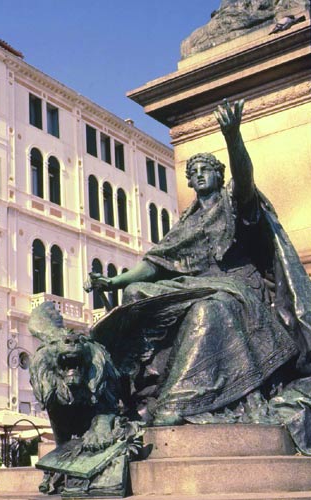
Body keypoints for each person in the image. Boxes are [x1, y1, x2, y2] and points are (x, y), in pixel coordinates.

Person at [87, 100, 311, 427]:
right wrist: (114, 282)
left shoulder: (234, 203)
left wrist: (232, 136)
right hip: (198, 285)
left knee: (209, 310)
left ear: (219, 175)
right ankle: (135, 391)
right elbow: (157, 262)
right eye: (193, 173)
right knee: (136, 293)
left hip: (237, 290)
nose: (199, 175)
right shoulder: (186, 224)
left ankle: (181, 399)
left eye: (206, 169)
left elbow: (245, 180)